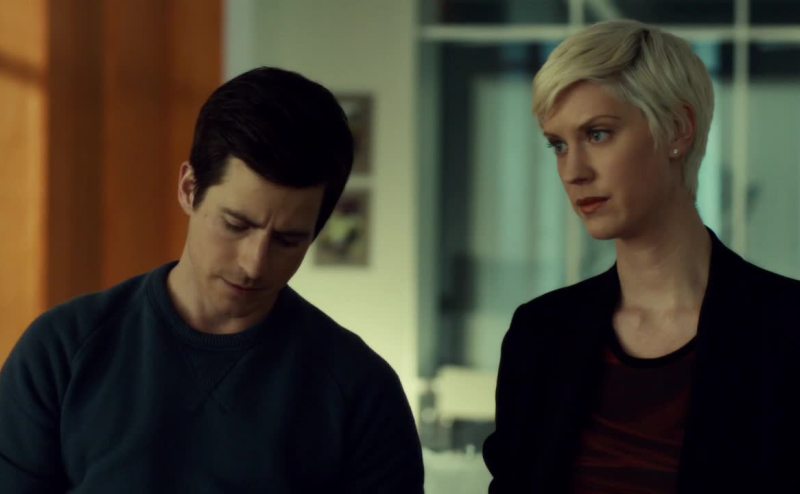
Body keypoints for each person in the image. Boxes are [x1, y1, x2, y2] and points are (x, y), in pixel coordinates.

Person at [0, 67, 424, 493]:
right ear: (189, 189)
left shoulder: (361, 392)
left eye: (288, 240)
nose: (254, 264)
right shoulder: (60, 352)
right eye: (236, 224)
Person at [482, 20, 800, 493]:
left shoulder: (786, 329)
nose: (572, 171)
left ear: (677, 130)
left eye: (598, 134)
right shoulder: (540, 334)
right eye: (558, 145)